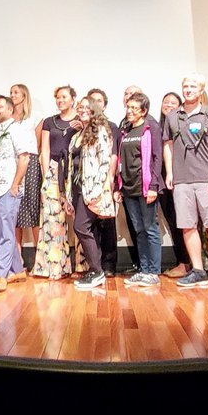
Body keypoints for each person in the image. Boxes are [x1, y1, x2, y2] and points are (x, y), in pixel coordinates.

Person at [164, 75, 208, 290]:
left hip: (206, 179)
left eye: (193, 86)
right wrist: (170, 172)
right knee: (187, 226)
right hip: (182, 181)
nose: (188, 90)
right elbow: (168, 145)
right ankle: (198, 270)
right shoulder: (173, 116)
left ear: (201, 90)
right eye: (185, 86)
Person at [65, 97, 117, 290]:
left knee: (81, 227)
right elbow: (72, 166)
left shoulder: (100, 131)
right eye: (81, 107)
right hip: (78, 189)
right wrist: (69, 194)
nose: (83, 110)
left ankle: (97, 271)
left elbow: (104, 162)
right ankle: (95, 270)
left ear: (95, 110)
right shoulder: (77, 135)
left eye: (88, 107)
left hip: (92, 189)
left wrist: (96, 190)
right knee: (83, 229)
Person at [0, 95, 35, 292]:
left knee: (6, 232)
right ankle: (18, 269)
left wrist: (15, 184)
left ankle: (1, 274)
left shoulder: (17, 129)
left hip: (8, 187)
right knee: (3, 231)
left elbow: (24, 158)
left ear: (9, 109)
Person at [116, 92, 164, 286]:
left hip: (145, 187)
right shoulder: (125, 129)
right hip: (128, 188)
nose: (130, 111)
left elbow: (157, 157)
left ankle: (153, 271)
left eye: (135, 108)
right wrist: (119, 186)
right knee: (139, 230)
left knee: (150, 228)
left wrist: (153, 185)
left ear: (144, 110)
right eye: (128, 107)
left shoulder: (150, 127)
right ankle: (143, 269)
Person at [33, 85, 78, 279]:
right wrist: (46, 176)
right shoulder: (49, 122)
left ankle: (84, 267)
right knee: (53, 221)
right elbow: (44, 149)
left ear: (72, 98)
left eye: (64, 97)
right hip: (53, 170)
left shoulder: (80, 120)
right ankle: (54, 266)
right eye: (58, 98)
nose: (61, 101)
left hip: (75, 171)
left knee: (79, 220)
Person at [157, 91, 192, 278]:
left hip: (180, 176)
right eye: (165, 102)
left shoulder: (181, 124)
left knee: (183, 220)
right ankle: (183, 261)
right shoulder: (156, 125)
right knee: (172, 219)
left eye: (173, 102)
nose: (168, 105)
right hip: (162, 178)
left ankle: (188, 263)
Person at [86, 88, 119, 277]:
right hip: (89, 183)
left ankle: (109, 265)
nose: (96, 104)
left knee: (107, 223)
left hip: (105, 180)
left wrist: (110, 179)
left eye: (99, 101)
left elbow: (114, 154)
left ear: (104, 105)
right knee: (91, 225)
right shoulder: (84, 127)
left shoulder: (111, 126)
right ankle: (94, 264)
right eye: (93, 101)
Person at [10, 84, 41, 261]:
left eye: (16, 92)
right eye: (11, 93)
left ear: (24, 95)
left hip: (30, 163)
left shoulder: (34, 118)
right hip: (12, 164)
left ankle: (39, 259)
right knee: (14, 211)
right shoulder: (8, 118)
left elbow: (36, 144)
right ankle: (17, 259)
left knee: (32, 208)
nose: (13, 95)